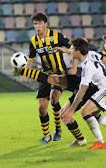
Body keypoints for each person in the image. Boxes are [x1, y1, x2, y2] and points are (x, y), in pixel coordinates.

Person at [14, 31, 106, 147]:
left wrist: (71, 109)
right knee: (89, 110)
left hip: (93, 88)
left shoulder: (103, 56)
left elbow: (83, 86)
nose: (104, 45)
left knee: (72, 113)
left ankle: (91, 141)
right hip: (100, 87)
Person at [23, 12, 78, 145]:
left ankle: (58, 129)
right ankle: (46, 136)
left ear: (45, 24)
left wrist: (74, 66)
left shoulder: (56, 36)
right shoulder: (34, 41)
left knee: (54, 99)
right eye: (35, 24)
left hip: (59, 75)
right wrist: (25, 73)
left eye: (40, 23)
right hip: (46, 76)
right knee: (42, 108)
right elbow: (31, 59)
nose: (37, 26)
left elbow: (74, 48)